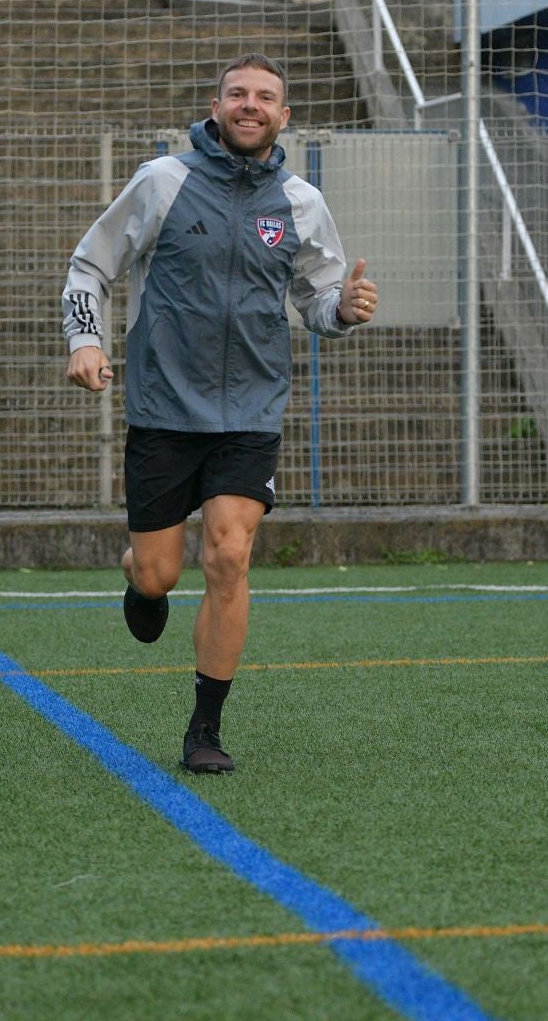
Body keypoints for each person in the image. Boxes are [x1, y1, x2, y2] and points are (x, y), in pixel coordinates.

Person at [62, 53, 377, 775]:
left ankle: (205, 728)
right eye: (238, 94)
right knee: (158, 576)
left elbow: (319, 300)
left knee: (230, 554)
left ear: (283, 116)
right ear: (216, 104)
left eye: (265, 97)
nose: (250, 105)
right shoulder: (162, 181)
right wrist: (85, 341)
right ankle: (139, 576)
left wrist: (345, 310)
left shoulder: (301, 202)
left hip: (251, 413)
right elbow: (90, 265)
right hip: (165, 408)